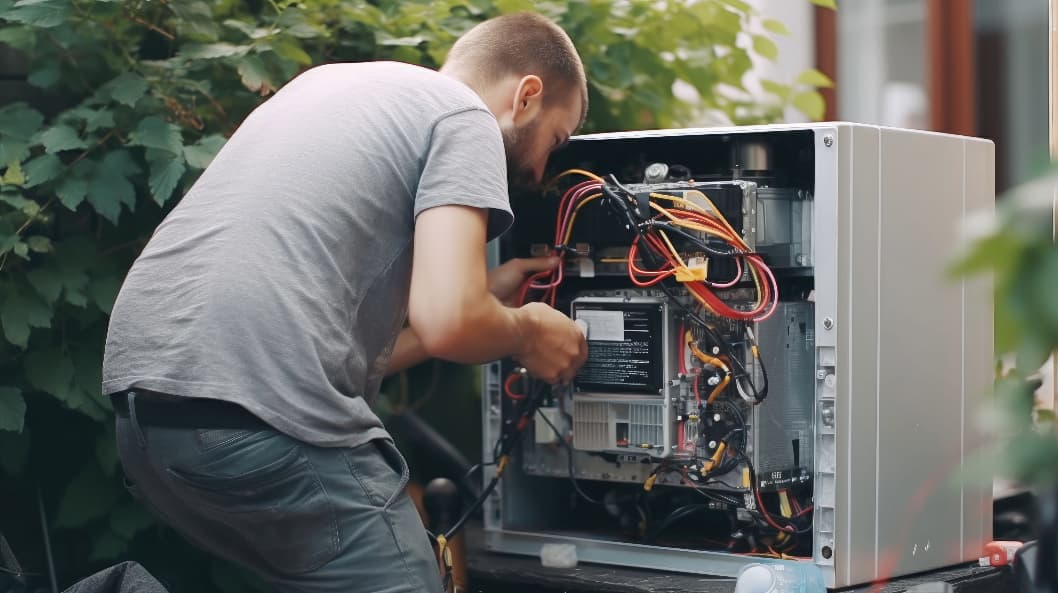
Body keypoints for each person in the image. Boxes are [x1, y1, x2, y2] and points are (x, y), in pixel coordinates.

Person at [102, 12, 589, 593]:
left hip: (150, 421)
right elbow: (450, 323)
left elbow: (388, 337)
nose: (540, 172)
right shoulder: (464, 116)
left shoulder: (328, 85)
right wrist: (529, 330)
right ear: (526, 96)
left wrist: (485, 296)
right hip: (255, 416)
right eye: (555, 140)